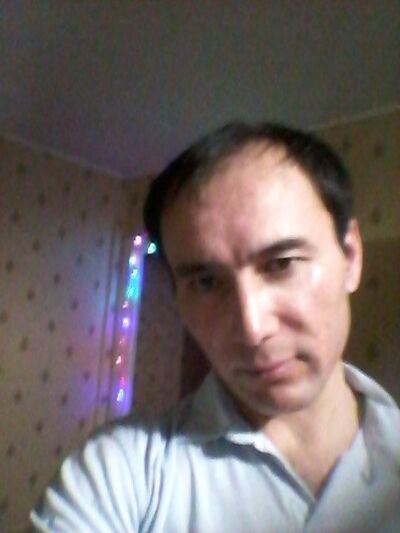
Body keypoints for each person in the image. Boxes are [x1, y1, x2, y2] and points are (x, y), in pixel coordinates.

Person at [31, 122, 400, 532]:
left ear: (350, 256)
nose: (253, 329)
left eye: (282, 264)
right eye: (206, 282)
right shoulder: (118, 472)